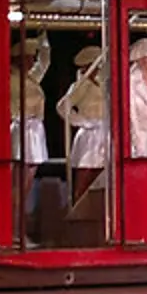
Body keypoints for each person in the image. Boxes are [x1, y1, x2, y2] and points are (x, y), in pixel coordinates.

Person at [57, 46, 108, 200]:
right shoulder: (80, 86)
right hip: (89, 135)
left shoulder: (105, 84)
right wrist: (83, 122)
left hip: (104, 133)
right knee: (84, 177)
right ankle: (77, 210)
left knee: (102, 178)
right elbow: (62, 106)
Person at [10, 32, 50, 219]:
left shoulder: (31, 78)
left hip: (34, 131)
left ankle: (18, 224)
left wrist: (43, 38)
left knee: (27, 183)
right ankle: (12, 224)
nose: (33, 62)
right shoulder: (10, 79)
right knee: (17, 183)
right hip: (20, 129)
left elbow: (44, 62)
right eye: (29, 58)